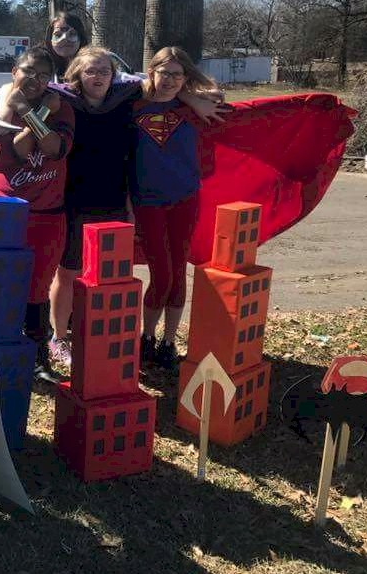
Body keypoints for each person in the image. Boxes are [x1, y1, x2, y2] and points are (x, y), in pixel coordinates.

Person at [44, 48, 230, 373]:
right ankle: (62, 338)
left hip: (131, 199)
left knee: (126, 276)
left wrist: (193, 97)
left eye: (104, 69)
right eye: (91, 70)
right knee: (72, 271)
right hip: (87, 200)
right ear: (77, 73)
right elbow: (29, 90)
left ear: (114, 75)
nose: (98, 75)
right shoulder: (78, 100)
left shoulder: (133, 98)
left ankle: (152, 339)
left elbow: (200, 93)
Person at [0, 46, 75, 371]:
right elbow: (12, 154)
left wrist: (38, 113)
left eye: (44, 75)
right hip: (5, 213)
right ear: (14, 71)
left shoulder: (61, 109)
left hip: (48, 214)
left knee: (38, 288)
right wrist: (21, 110)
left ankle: (37, 358)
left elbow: (54, 147)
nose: (35, 79)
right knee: (1, 284)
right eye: (28, 71)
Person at [133, 46, 219, 371]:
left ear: (186, 78)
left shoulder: (193, 105)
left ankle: (169, 341)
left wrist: (190, 96)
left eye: (177, 74)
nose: (169, 80)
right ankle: (147, 336)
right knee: (162, 273)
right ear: (151, 71)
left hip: (184, 198)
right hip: (147, 201)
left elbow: (219, 95)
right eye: (164, 72)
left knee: (178, 270)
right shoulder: (134, 105)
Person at [45, 12, 88, 81]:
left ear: (81, 38)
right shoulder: (42, 68)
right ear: (50, 40)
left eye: (72, 34)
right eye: (58, 35)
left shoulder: (93, 66)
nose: (64, 39)